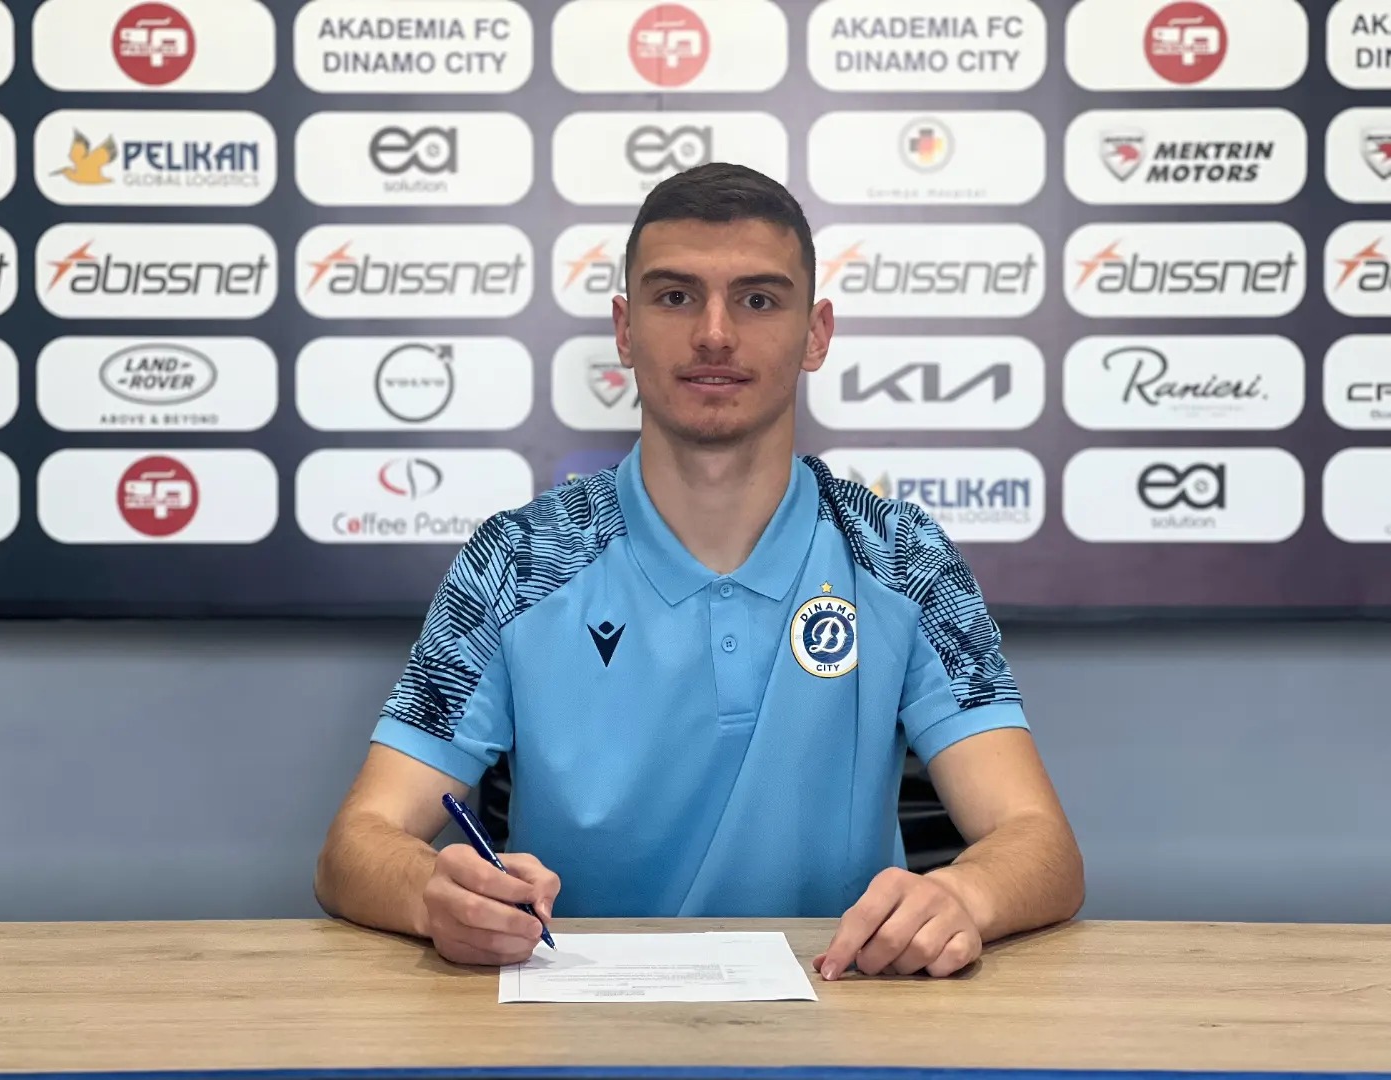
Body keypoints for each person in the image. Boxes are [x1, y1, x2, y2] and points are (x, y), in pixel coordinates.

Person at [314, 163, 1084, 980]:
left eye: (758, 300)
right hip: (571, 1022)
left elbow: (1040, 842)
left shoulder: (902, 555)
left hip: (840, 1012)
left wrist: (964, 895)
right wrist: (431, 893)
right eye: (675, 296)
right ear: (624, 328)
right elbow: (354, 845)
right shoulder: (516, 560)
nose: (714, 334)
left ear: (816, 333)